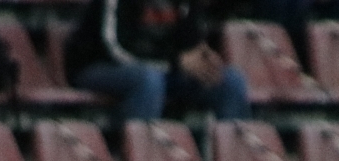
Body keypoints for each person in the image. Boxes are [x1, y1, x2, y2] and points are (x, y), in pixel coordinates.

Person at [65, 0, 250, 127]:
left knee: (231, 81)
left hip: (163, 70)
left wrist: (203, 56)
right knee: (148, 81)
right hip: (98, 65)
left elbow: (189, 41)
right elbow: (115, 49)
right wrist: (177, 63)